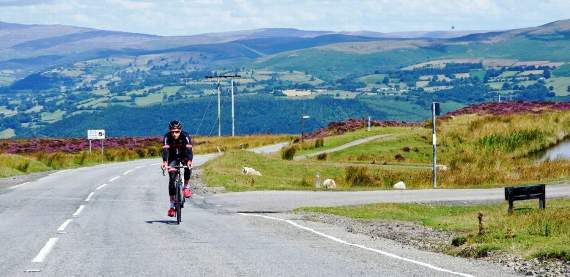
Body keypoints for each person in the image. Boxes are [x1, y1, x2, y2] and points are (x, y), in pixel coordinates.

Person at [161, 120, 193, 217]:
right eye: (172, 132)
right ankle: (171, 206)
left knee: (188, 167)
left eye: (177, 131)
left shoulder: (186, 136)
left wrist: (189, 161)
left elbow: (189, 151)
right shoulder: (167, 137)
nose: (174, 134)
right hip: (172, 158)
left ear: (180, 130)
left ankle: (186, 187)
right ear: (170, 131)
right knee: (171, 180)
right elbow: (165, 151)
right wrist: (165, 163)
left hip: (184, 156)